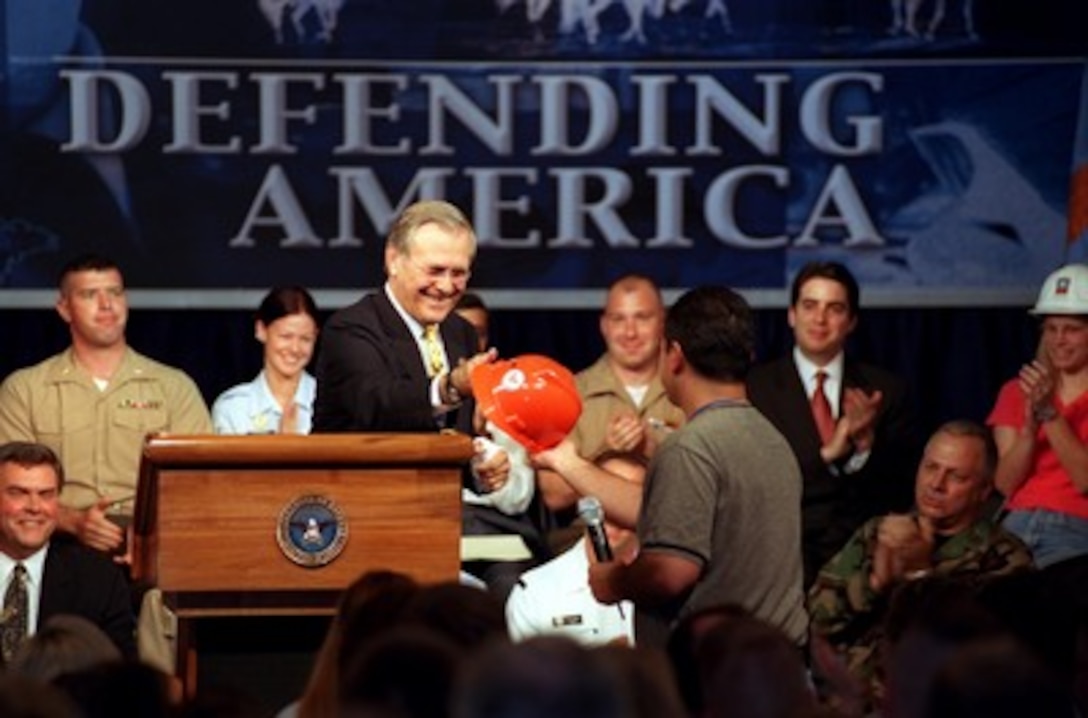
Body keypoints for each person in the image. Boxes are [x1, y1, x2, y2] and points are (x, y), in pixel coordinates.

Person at [311, 200, 544, 594]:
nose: (448, 286)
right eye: (435, 270)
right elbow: (378, 405)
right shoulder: (351, 329)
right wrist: (451, 385)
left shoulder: (460, 334)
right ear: (393, 260)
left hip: (434, 528)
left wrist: (479, 469)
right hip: (357, 529)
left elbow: (447, 439)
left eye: (459, 273)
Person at [588, 286, 808, 651]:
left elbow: (670, 573)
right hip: (773, 664)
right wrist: (567, 463)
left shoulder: (689, 447)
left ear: (674, 356)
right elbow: (669, 515)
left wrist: (613, 582)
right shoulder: (774, 441)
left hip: (713, 674)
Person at [807, 420, 1034, 710]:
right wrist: (874, 582)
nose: (936, 485)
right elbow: (815, 619)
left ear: (983, 490)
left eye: (956, 476)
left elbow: (980, 658)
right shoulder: (881, 532)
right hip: (848, 702)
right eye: (930, 468)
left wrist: (920, 573)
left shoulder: (1007, 557)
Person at [0, 254, 212, 553]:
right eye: (89, 294)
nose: (106, 305)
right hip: (57, 548)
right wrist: (74, 522)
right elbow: (9, 490)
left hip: (155, 548)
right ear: (64, 309)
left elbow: (201, 482)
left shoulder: (174, 388)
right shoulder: (26, 389)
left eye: (114, 292)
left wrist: (148, 535)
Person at [748, 260, 921, 587]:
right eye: (809, 306)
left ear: (852, 321)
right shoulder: (756, 389)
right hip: (780, 550)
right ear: (791, 314)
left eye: (835, 308)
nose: (820, 319)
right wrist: (828, 454)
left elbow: (900, 490)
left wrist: (865, 448)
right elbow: (755, 485)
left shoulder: (885, 390)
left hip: (859, 555)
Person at [537, 274, 684, 540]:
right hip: (587, 541)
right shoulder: (568, 394)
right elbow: (552, 495)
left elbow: (712, 483)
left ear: (663, 322)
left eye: (642, 318)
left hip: (672, 538)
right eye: (619, 319)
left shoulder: (687, 391)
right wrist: (606, 457)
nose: (630, 332)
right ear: (604, 325)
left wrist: (653, 448)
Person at [988, 263, 1088, 568]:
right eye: (1051, 329)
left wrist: (1050, 414)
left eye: (1071, 329)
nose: (1059, 340)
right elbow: (1005, 484)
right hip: (1015, 526)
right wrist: (1029, 431)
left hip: (1077, 529)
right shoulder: (1015, 391)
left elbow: (1085, 481)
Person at [0, 442, 136, 660]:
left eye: (46, 494)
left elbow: (117, 678)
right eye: (19, 493)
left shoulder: (99, 580)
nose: (35, 507)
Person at [505, 451, 643, 647]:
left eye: (623, 499)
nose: (613, 513)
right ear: (583, 501)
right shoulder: (537, 592)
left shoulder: (664, 583)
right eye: (605, 495)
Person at [212, 286, 321, 435]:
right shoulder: (233, 407)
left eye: (306, 339)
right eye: (286, 336)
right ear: (261, 330)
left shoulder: (333, 404)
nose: (295, 349)